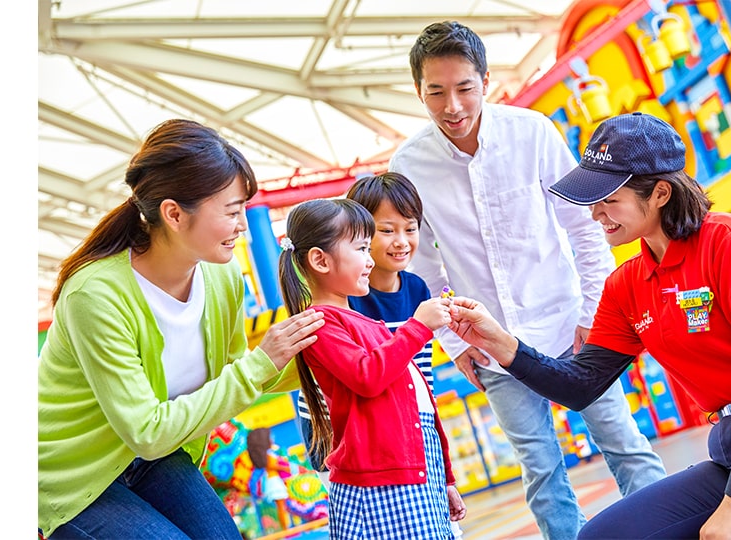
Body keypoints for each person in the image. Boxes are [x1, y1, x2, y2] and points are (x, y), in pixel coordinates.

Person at [445, 111, 731, 539]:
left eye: (608, 199)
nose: (594, 213)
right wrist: (502, 343)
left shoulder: (730, 241)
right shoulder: (626, 284)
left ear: (659, 193)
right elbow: (581, 385)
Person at [388, 20, 666, 539]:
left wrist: (593, 315)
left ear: (486, 81)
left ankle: (668, 531)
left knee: (622, 441)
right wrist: (454, 343)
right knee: (540, 468)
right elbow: (422, 268)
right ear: (418, 91)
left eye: (465, 88)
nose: (452, 106)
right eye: (436, 92)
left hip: (569, 326)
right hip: (492, 346)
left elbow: (584, 228)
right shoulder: (408, 165)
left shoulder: (532, 132)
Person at [37, 119, 326, 539]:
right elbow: (148, 431)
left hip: (156, 459)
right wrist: (260, 363)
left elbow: (237, 374)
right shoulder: (95, 296)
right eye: (231, 211)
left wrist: (336, 354)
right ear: (174, 213)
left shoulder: (222, 278)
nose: (242, 225)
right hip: (74, 473)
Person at [277, 197, 467, 539]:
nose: (369, 261)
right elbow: (367, 376)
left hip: (417, 475)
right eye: (362, 249)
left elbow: (419, 410)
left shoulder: (364, 323)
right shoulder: (320, 324)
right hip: (384, 482)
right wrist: (418, 326)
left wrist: (445, 478)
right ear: (319, 260)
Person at [295, 173, 438, 475]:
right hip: (339, 432)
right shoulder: (343, 297)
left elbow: (420, 370)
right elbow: (365, 374)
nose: (401, 241)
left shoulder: (417, 290)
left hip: (395, 426)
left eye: (410, 228)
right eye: (386, 230)